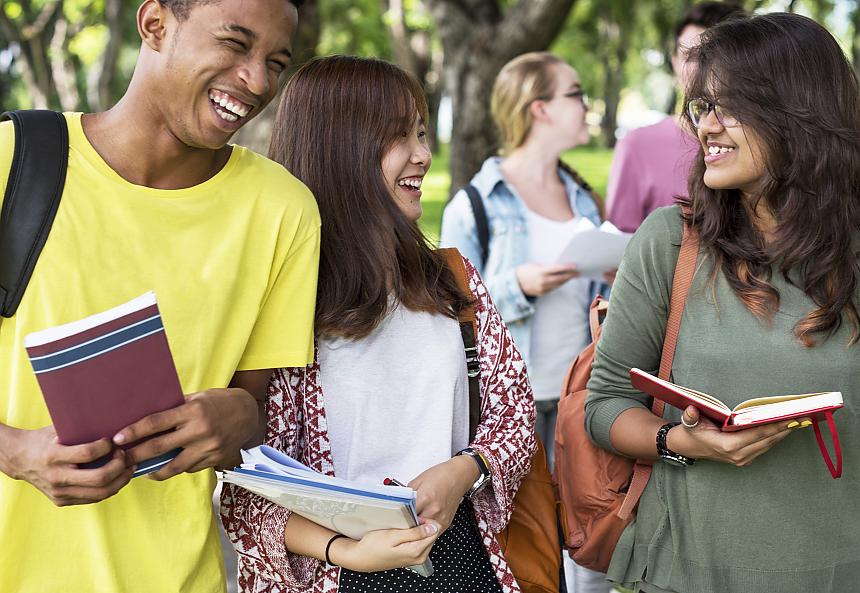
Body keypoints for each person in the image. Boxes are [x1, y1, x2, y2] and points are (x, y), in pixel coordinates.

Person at [0, 1, 320, 592]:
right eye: (234, 44)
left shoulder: (284, 210)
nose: (257, 81)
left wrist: (238, 417)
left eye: (276, 61)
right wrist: (14, 451)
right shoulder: (11, 161)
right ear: (154, 26)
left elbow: (254, 407)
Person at [220, 55, 536, 593]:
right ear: (340, 150)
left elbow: (515, 418)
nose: (423, 155)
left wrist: (463, 472)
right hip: (333, 572)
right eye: (399, 137)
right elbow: (243, 487)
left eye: (421, 132)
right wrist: (346, 549)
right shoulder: (278, 298)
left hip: (459, 558)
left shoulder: (451, 281)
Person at [586, 13, 860, 593]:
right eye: (701, 107)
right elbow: (605, 403)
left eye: (728, 107)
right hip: (684, 572)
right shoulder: (670, 241)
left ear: (799, 112)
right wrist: (684, 442)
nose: (706, 127)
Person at [440, 50, 607, 593]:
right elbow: (448, 314)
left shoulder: (583, 197)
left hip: (580, 398)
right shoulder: (476, 204)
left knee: (589, 540)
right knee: (521, 551)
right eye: (575, 94)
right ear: (539, 109)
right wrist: (519, 286)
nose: (587, 106)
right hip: (507, 411)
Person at [605, 1, 745, 233]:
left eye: (712, 55)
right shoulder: (636, 145)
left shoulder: (766, 144)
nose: (701, 68)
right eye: (690, 56)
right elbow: (617, 246)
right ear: (675, 62)